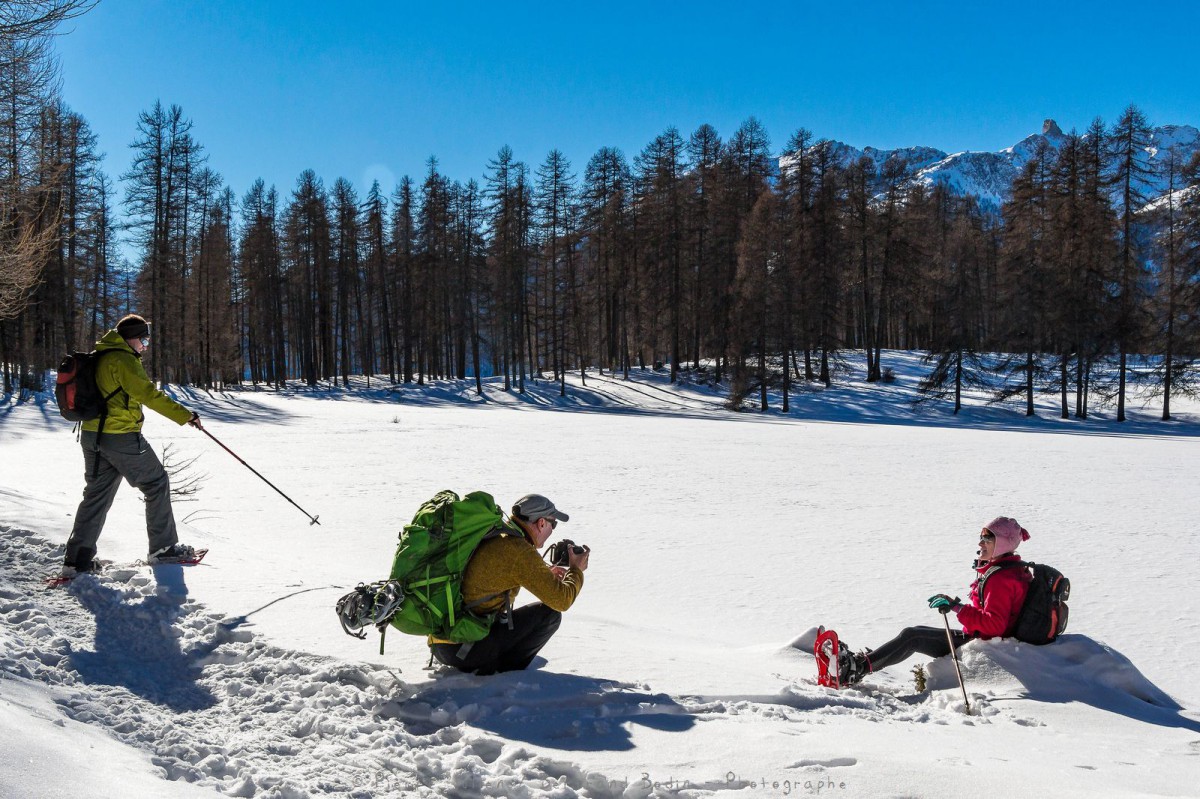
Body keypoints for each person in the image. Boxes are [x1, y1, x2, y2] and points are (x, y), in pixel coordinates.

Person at [62, 314, 204, 576]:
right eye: (144, 340)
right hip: (120, 435)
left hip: (92, 435)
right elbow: (147, 394)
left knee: (96, 495)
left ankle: (77, 559)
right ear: (132, 339)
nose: (145, 346)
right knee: (156, 482)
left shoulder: (100, 355)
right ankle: (164, 549)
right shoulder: (123, 359)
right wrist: (185, 415)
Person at [833, 516, 1033, 686]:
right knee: (914, 632)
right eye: (981, 537)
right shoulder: (1010, 570)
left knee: (913, 636)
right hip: (990, 639)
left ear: (1002, 543)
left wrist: (956, 607)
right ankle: (862, 664)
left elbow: (994, 625)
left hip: (988, 644)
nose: (980, 543)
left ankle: (855, 669)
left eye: (987, 539)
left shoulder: (1000, 578)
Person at [429, 493, 589, 675]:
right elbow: (562, 601)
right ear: (541, 523)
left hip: (444, 643)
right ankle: (504, 673)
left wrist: (543, 576)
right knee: (550, 615)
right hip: (465, 649)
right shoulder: (518, 550)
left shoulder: (497, 535)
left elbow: (499, 575)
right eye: (554, 524)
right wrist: (576, 570)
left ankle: (488, 660)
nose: (553, 530)